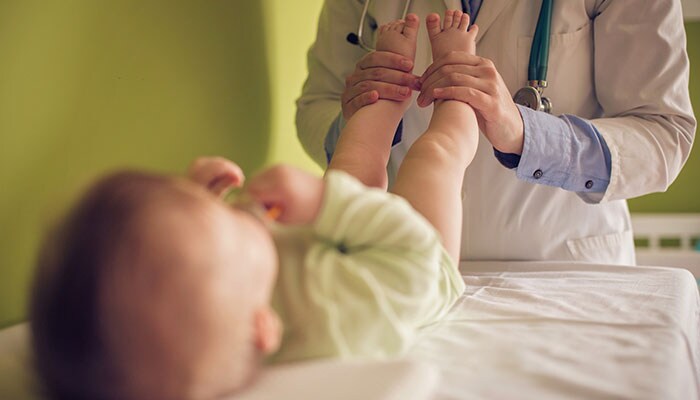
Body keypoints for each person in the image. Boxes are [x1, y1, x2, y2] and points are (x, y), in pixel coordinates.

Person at [29, 12, 477, 399]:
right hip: (402, 257)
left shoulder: (213, 298)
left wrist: (197, 199)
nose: (245, 213)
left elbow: (189, 256)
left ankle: (389, 78)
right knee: (435, 156)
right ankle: (458, 76)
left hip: (324, 246)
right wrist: (326, 202)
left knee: (355, 156)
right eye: (232, 223)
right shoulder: (342, 318)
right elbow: (411, 248)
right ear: (264, 327)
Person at [296, 0, 696, 265]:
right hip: (398, 260)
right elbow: (317, 106)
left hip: (561, 269)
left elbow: (663, 134)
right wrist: (369, 120)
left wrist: (527, 134)